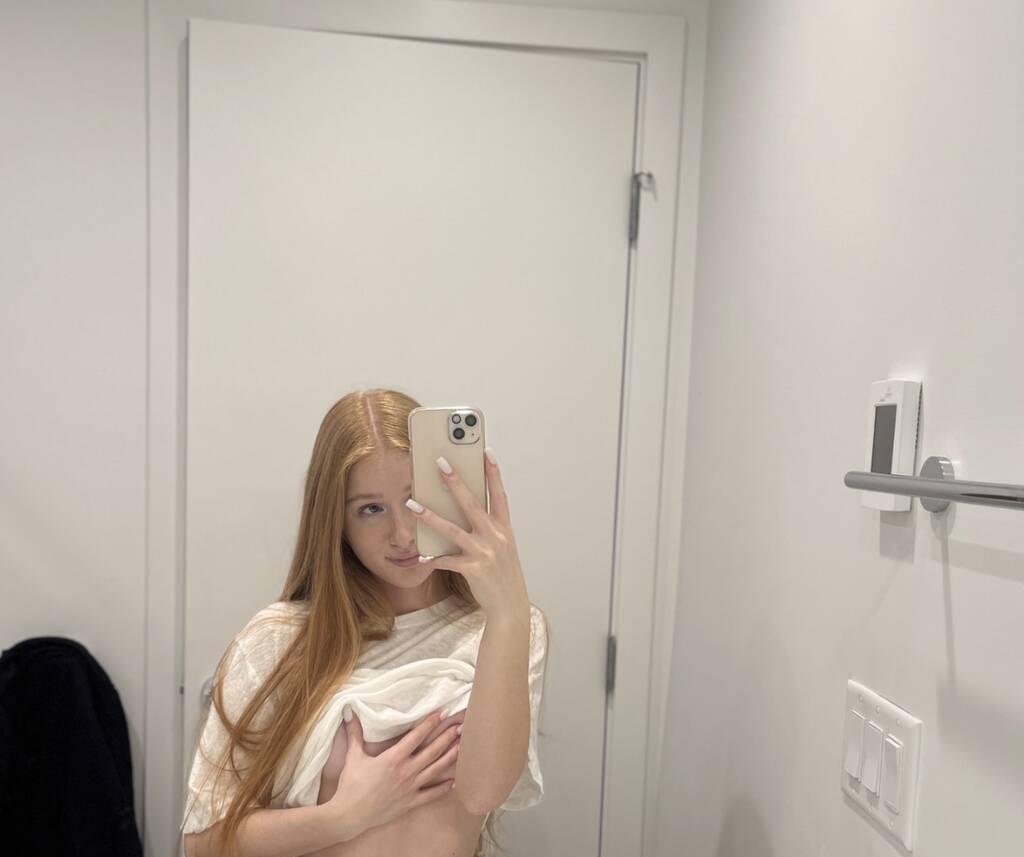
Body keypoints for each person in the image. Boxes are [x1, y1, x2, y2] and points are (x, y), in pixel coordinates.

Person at [181, 388, 549, 857]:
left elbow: (483, 793)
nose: (402, 534)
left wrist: (508, 609)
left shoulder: (508, 628)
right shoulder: (276, 640)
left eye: (416, 501)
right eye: (371, 509)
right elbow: (202, 843)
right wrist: (343, 818)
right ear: (336, 522)